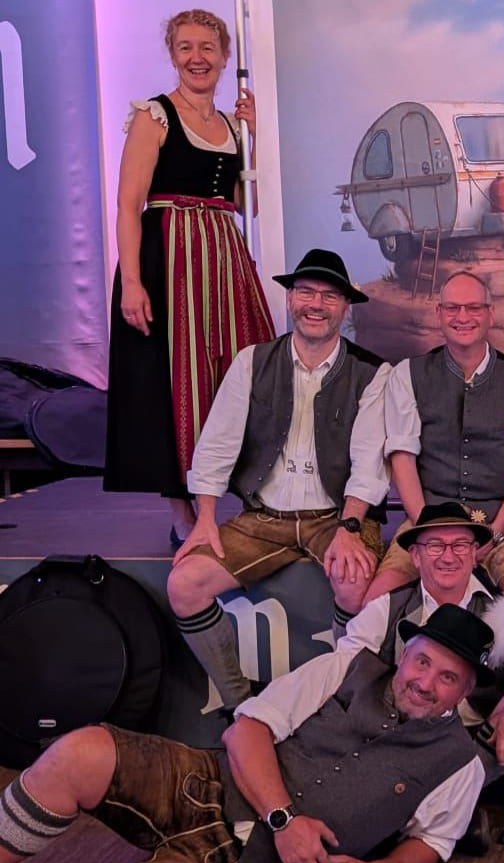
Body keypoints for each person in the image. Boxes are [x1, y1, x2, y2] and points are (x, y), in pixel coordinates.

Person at [0, 604, 489, 863]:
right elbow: (246, 730)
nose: (425, 683)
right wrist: (284, 820)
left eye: (447, 678)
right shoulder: (345, 667)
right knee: (81, 752)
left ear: (464, 692)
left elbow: (432, 841)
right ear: (405, 654)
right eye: (422, 661)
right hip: (205, 782)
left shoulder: (459, 763)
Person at [166, 249, 389, 711]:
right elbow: (216, 445)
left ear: (346, 308)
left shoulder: (373, 373)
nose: (316, 304)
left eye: (329, 296)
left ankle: (342, 703)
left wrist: (350, 528)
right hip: (262, 519)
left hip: (333, 517)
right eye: (306, 292)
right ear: (289, 299)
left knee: (354, 583)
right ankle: (240, 706)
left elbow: (369, 461)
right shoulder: (253, 361)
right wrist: (205, 518)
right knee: (183, 585)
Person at [105, 8, 275, 546]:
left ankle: (235, 496)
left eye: (207, 47)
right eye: (185, 47)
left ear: (224, 57)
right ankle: (183, 513)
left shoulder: (230, 125)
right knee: (172, 379)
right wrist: (133, 282)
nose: (196, 57)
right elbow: (128, 204)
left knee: (236, 371)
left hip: (221, 259)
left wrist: (253, 136)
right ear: (173, 55)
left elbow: (243, 203)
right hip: (169, 260)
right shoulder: (154, 117)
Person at [337, 501, 504, 780]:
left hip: (471, 746)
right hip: (397, 737)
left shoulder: (501, 611)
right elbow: (342, 668)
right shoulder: (387, 607)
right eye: (435, 546)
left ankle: (469, 786)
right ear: (415, 556)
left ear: (474, 553)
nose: (448, 557)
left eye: (460, 545)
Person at [364, 270, 504, 602]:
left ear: (490, 314)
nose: (463, 317)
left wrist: (493, 534)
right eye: (453, 308)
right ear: (439, 314)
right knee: (376, 601)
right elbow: (403, 460)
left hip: (503, 527)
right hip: (425, 522)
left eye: (473, 308)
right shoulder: (407, 374)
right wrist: (427, 533)